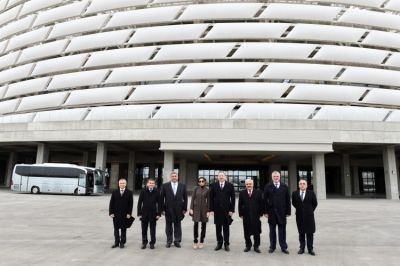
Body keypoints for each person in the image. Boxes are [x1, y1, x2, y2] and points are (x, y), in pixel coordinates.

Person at [264, 171, 291, 254]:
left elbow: (288, 200)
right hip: (271, 212)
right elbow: (264, 200)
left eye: (277, 176)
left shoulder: (284, 186)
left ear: (280, 177)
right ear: (272, 177)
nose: (276, 177)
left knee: (282, 230)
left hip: (282, 212)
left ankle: (283, 247)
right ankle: (272, 247)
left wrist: (288, 211)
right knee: (272, 231)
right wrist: (265, 212)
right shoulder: (268, 186)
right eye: (274, 176)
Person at [160, 171, 188, 248]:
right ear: (170, 177)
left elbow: (185, 198)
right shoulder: (165, 186)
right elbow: (161, 198)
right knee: (168, 225)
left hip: (179, 209)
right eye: (172, 176)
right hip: (168, 209)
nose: (174, 177)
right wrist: (162, 209)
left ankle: (177, 241)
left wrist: (185, 208)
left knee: (177, 225)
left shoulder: (182, 186)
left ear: (177, 177)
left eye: (175, 176)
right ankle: (169, 241)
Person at [209, 171, 235, 251]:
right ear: (217, 177)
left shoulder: (230, 185)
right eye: (219, 176)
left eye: (222, 176)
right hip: (217, 210)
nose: (221, 177)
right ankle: (219, 243)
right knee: (218, 228)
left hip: (227, 210)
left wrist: (232, 210)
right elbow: (211, 198)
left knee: (226, 228)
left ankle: (226, 244)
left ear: (225, 177)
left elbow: (233, 198)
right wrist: (211, 209)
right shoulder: (213, 185)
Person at [292, 179, 318, 256]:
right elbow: (294, 203)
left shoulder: (311, 193)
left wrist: (310, 210)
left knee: (310, 233)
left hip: (309, 216)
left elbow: (315, 203)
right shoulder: (295, 193)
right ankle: (302, 248)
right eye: (300, 184)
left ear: (306, 185)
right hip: (299, 216)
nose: (302, 185)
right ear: (298, 185)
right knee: (301, 233)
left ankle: (310, 249)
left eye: (304, 184)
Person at [238, 179, 264, 253]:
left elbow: (261, 203)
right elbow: (240, 204)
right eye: (247, 184)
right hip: (246, 215)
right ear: (245, 185)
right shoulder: (242, 193)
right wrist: (241, 214)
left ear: (253, 184)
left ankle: (256, 246)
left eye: (250, 184)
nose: (248, 185)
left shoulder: (258, 192)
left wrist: (261, 213)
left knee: (256, 232)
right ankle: (248, 245)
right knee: (246, 231)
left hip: (256, 215)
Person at [109, 178, 133, 249]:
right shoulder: (114, 192)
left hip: (125, 214)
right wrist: (111, 212)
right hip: (115, 214)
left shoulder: (129, 192)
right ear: (118, 184)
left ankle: (122, 242)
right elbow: (111, 203)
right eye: (120, 183)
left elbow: (130, 204)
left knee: (123, 228)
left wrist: (129, 213)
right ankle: (116, 242)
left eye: (123, 183)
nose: (122, 184)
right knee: (116, 229)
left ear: (126, 184)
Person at [137, 178, 161, 250]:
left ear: (154, 184)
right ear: (147, 184)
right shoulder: (143, 191)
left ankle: (152, 243)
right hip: (144, 213)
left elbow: (159, 203)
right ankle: (144, 242)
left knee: (152, 229)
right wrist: (139, 213)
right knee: (144, 229)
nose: (151, 184)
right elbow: (139, 202)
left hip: (153, 214)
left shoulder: (157, 191)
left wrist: (158, 214)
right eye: (150, 183)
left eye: (152, 183)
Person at [190, 176, 210, 249]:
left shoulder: (207, 190)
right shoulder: (196, 189)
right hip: (196, 209)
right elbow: (192, 198)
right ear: (198, 182)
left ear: (205, 182)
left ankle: (201, 241)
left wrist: (208, 211)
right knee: (195, 225)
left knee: (203, 226)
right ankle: (195, 241)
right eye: (200, 181)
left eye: (202, 181)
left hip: (204, 210)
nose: (201, 182)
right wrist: (191, 208)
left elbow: (209, 201)